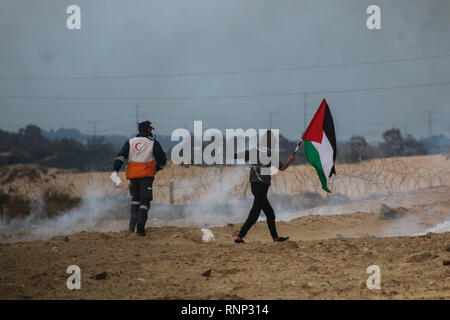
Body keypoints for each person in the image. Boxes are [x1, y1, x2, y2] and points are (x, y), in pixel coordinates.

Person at [234, 130, 296, 243]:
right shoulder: (269, 153)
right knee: (255, 214)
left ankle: (275, 238)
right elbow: (281, 168)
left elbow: (235, 155)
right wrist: (290, 160)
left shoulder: (253, 151)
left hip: (255, 186)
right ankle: (240, 236)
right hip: (261, 187)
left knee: (270, 214)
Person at [110, 121, 166, 236]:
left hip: (133, 176)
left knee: (135, 200)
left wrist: (115, 170)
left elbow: (121, 157)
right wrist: (156, 168)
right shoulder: (152, 142)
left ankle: (131, 226)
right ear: (149, 130)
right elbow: (162, 159)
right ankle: (140, 227)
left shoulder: (130, 142)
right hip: (146, 176)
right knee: (145, 201)